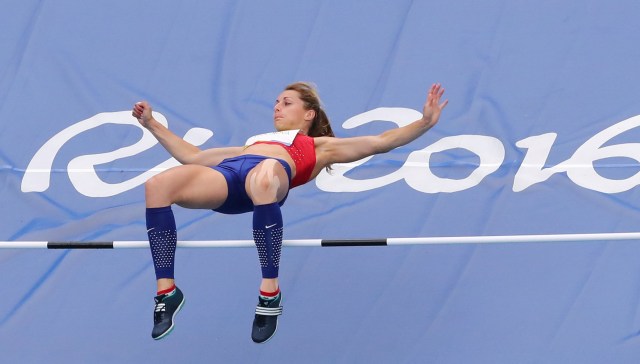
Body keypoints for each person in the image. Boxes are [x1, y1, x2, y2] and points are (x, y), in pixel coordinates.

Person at [132, 82, 448, 343]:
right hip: (229, 180)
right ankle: (167, 292)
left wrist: (424, 123)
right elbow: (194, 155)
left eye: (286, 102)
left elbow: (381, 141)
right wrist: (151, 124)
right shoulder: (253, 142)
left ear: (308, 113)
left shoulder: (319, 146)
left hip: (269, 181)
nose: (277, 107)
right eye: (276, 103)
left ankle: (269, 293)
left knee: (266, 172)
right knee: (158, 185)